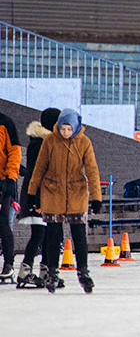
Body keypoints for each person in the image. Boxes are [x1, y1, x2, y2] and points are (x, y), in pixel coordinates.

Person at [25, 109, 101, 294]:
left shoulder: (84, 142)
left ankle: (83, 270)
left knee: (79, 234)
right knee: (53, 234)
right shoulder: (50, 141)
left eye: (69, 129)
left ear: (75, 127)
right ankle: (52, 271)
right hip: (53, 192)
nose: (65, 133)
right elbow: (39, 168)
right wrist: (31, 192)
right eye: (62, 129)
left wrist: (97, 197)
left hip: (76, 193)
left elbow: (92, 169)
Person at [15, 107, 60, 288]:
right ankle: (24, 272)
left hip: (46, 195)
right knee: (39, 234)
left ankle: (46, 272)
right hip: (37, 196)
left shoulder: (48, 142)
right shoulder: (40, 143)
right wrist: (37, 200)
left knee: (48, 234)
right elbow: (36, 173)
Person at [0, 112, 20, 283]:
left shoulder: (6, 123)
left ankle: (8, 264)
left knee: (3, 221)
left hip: (2, 181)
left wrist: (11, 178)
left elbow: (14, 151)